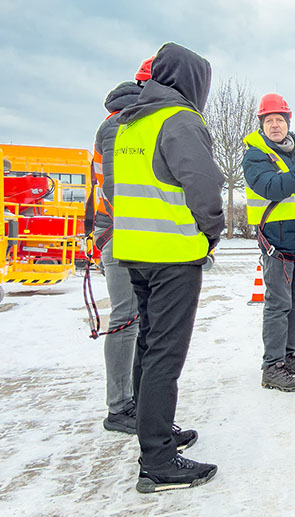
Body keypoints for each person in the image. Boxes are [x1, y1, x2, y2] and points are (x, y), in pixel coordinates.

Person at [112, 43, 224, 493]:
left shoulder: (130, 122)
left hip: (135, 252)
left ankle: (153, 429)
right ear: (192, 82)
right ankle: (158, 460)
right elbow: (204, 186)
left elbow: (115, 190)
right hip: (173, 255)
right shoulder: (181, 120)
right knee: (165, 354)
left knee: (148, 347)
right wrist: (210, 232)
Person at [242, 93, 295, 392]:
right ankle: (272, 367)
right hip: (277, 245)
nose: (275, 125)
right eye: (270, 121)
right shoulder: (256, 156)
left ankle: (289, 356)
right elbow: (275, 186)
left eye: (280, 119)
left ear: (288, 123)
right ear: (262, 125)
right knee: (278, 305)